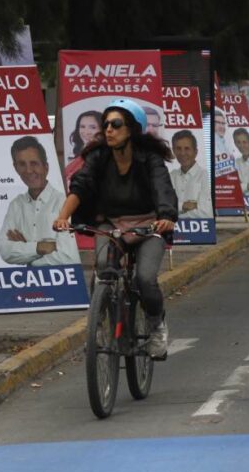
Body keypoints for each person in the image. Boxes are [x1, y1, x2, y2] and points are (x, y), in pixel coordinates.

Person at [53, 99, 178, 359]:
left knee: (145, 278)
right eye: (106, 124)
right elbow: (81, 186)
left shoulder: (150, 159)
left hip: (148, 224)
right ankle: (98, 325)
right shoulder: (98, 157)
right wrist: (63, 216)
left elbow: (162, 186)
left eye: (116, 124)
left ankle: (157, 328)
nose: (108, 129)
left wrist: (166, 216)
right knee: (102, 270)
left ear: (131, 129)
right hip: (111, 224)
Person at [0, 136, 80, 267]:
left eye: (34, 163)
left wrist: (29, 258)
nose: (29, 171)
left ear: (45, 167)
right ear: (15, 168)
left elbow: (70, 256)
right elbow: (4, 249)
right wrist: (40, 247)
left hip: (63, 284)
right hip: (29, 285)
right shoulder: (16, 205)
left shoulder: (63, 202)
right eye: (22, 164)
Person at [169, 130, 213, 219]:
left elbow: (206, 212)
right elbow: (163, 207)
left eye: (187, 148)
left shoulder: (205, 175)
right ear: (173, 151)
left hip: (201, 231)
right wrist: (183, 206)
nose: (182, 153)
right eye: (178, 148)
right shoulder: (171, 176)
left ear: (195, 152)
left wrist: (176, 215)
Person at [64, 110, 101, 181]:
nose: (86, 132)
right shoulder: (78, 155)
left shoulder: (102, 156)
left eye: (93, 127)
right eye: (82, 126)